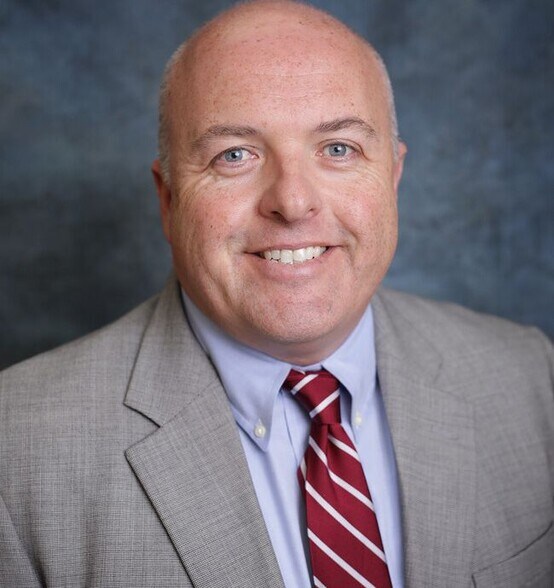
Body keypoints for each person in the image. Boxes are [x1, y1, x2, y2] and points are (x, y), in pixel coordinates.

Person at [1, 1, 552, 586]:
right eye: (235, 155)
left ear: (393, 177)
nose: (292, 202)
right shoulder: (17, 450)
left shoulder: (531, 380)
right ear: (168, 199)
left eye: (338, 148)